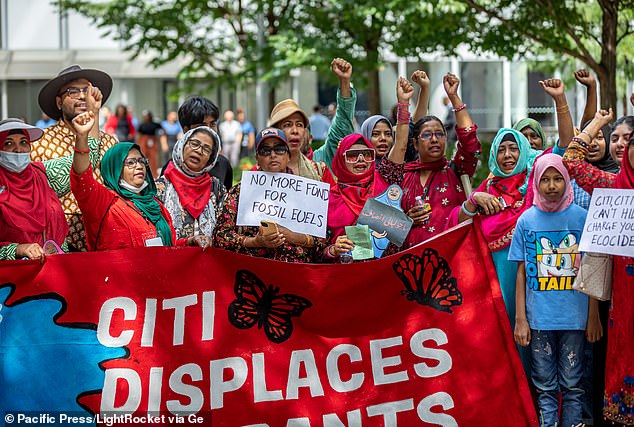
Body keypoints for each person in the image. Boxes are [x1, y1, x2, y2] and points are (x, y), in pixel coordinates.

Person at [509, 153, 593, 427]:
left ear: (568, 181)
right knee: (544, 385)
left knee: (573, 384)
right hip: (539, 321)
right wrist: (521, 319)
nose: (552, 185)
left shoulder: (582, 218)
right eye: (545, 179)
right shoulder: (526, 221)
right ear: (535, 183)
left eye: (558, 178)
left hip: (574, 320)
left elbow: (592, 270)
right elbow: (521, 273)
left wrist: (594, 315)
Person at [69, 111, 208, 251]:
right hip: (117, 272)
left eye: (142, 161)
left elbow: (168, 248)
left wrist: (190, 242)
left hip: (158, 272)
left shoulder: (156, 205)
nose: (139, 166)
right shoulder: (104, 202)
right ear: (115, 169)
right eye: (131, 162)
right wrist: (81, 137)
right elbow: (82, 180)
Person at [30, 64, 118, 252]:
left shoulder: (111, 143)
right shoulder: (39, 142)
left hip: (108, 238)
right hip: (60, 243)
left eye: (86, 90)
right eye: (72, 91)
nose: (81, 96)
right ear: (59, 102)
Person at [325, 77, 412, 260]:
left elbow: (401, 145)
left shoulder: (384, 178)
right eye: (352, 155)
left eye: (366, 154)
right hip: (345, 276)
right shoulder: (329, 197)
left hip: (386, 273)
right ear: (341, 160)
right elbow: (318, 248)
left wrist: (403, 105)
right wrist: (333, 249)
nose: (360, 160)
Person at [213, 128, 327, 262]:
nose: (273, 155)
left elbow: (322, 240)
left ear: (288, 155)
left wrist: (293, 236)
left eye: (279, 150)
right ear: (257, 158)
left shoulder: (308, 190)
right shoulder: (240, 191)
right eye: (265, 151)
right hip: (254, 273)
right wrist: (254, 242)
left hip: (297, 272)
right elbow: (220, 236)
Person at [397, 72, 480, 248]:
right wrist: (405, 220)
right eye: (427, 135)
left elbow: (470, 142)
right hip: (409, 265)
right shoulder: (401, 176)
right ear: (416, 144)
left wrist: (454, 97)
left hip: (451, 262)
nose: (434, 139)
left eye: (439, 134)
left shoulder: (456, 170)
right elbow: (382, 224)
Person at [272, 58, 356, 176]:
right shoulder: (264, 171)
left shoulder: (321, 161)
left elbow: (343, 125)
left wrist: (345, 82)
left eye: (300, 125)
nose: (294, 130)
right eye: (287, 125)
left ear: (309, 137)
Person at [0, 119, 67, 260]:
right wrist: (17, 249)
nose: (18, 149)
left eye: (24, 142)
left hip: (55, 270)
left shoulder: (41, 174)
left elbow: (82, 165)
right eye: (8, 143)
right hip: (13, 277)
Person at [156, 126, 225, 241]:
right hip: (172, 257)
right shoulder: (159, 188)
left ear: (210, 159)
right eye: (194, 143)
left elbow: (224, 231)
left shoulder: (216, 188)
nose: (199, 151)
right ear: (183, 144)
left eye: (206, 149)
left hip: (208, 257)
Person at [161, 96, 233, 191]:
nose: (209, 131)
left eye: (212, 124)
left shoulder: (223, 165)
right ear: (186, 130)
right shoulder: (170, 169)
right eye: (202, 126)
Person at [135, 110, 163, 178]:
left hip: (153, 141)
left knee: (153, 157)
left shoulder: (155, 124)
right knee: (144, 156)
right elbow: (138, 135)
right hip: (143, 142)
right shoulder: (142, 125)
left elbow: (163, 130)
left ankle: (154, 174)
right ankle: (145, 173)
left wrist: (161, 137)